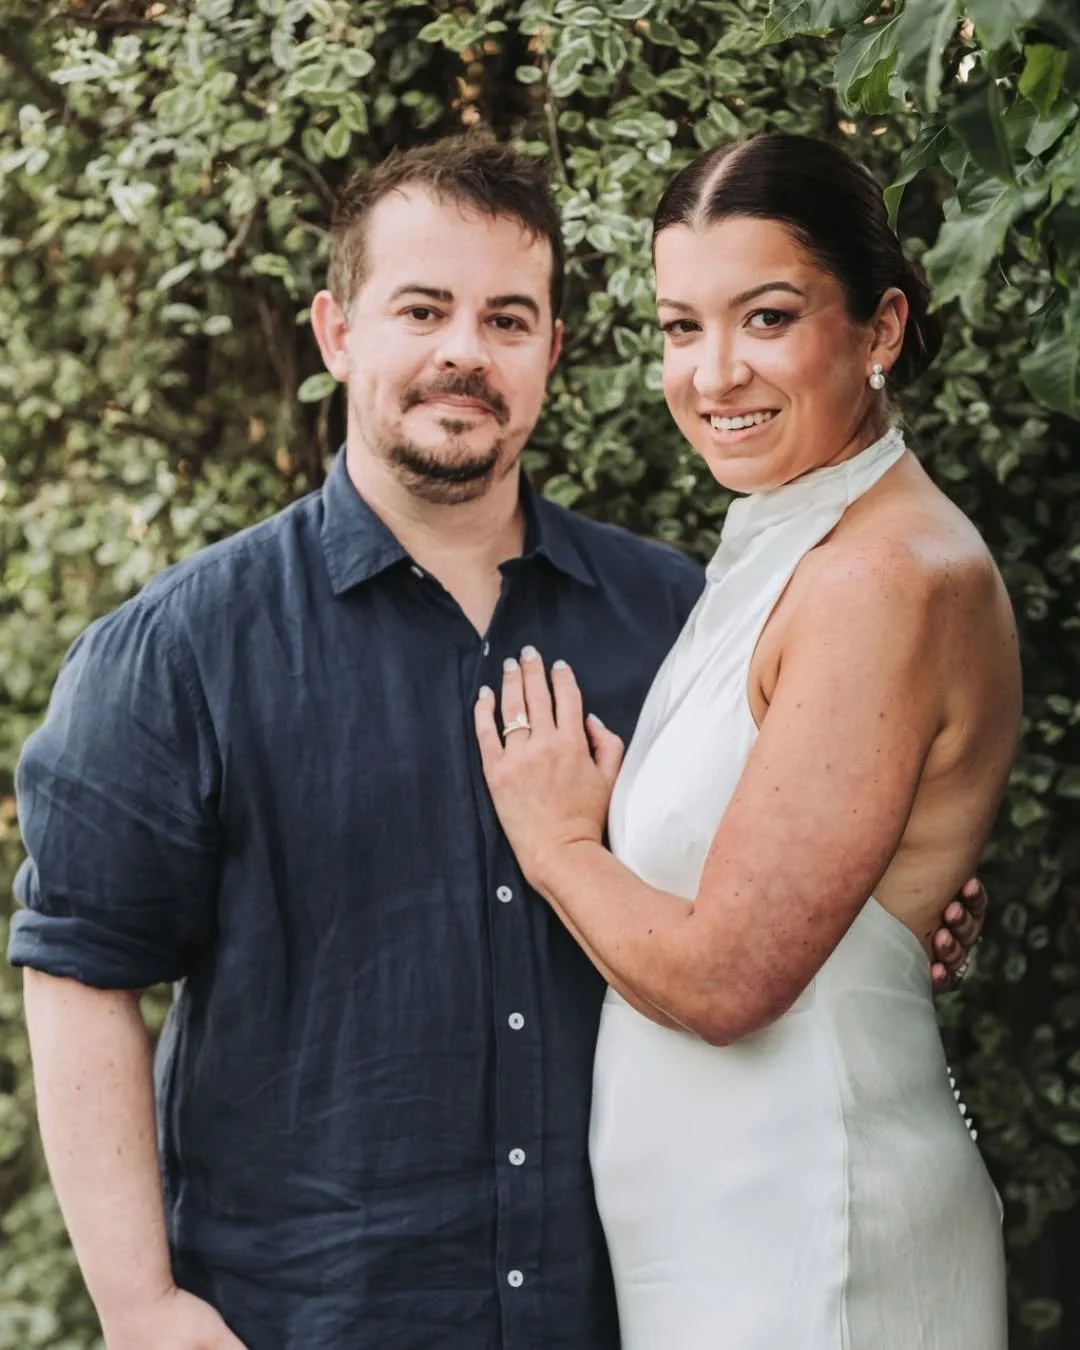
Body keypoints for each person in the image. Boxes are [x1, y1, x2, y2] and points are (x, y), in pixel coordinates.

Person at [9, 134, 984, 1350]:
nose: (464, 351)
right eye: (423, 308)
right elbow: (81, 970)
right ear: (337, 332)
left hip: (621, 1309)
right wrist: (144, 1310)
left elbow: (781, 869)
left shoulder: (674, 616)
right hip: (315, 1316)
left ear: (552, 355)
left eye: (508, 318)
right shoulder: (177, 654)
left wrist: (894, 904)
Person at [475, 132, 1021, 1349]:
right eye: (681, 327)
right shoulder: (788, 538)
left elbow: (729, 981)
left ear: (879, 330)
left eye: (765, 318)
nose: (713, 373)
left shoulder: (884, 575)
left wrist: (560, 843)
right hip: (727, 1241)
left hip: (816, 1245)